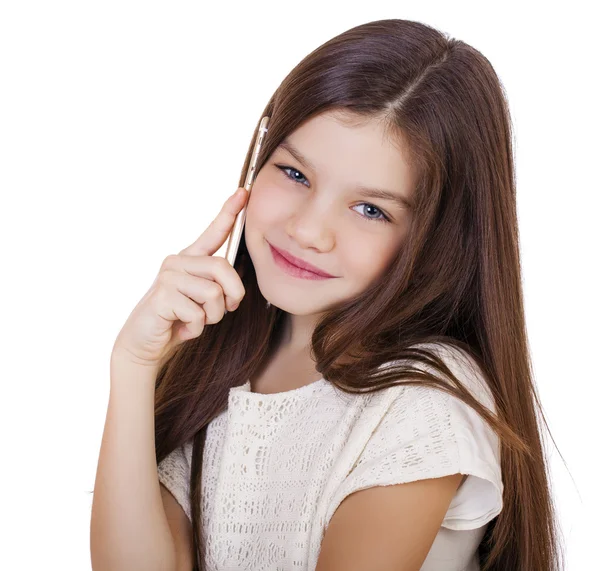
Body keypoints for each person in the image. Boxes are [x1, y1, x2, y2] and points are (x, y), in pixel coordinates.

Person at [90, 18, 565, 571]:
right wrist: (133, 365)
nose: (308, 230)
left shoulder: (424, 401)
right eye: (294, 174)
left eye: (371, 210)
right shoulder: (217, 358)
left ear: (435, 240)